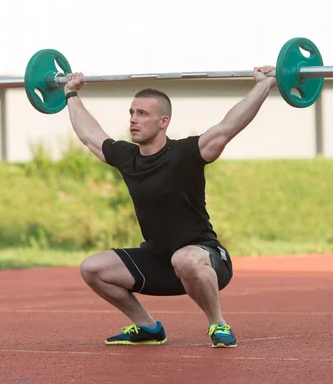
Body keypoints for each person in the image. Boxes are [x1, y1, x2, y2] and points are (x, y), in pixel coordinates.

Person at [63, 66, 277, 348]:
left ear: (163, 122)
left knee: (185, 259)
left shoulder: (186, 154)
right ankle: (148, 327)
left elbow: (229, 126)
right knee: (92, 268)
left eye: (142, 114)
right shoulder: (128, 157)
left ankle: (218, 323)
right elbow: (90, 135)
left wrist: (265, 84)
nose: (133, 120)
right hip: (159, 260)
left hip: (206, 260)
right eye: (131, 112)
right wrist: (71, 93)